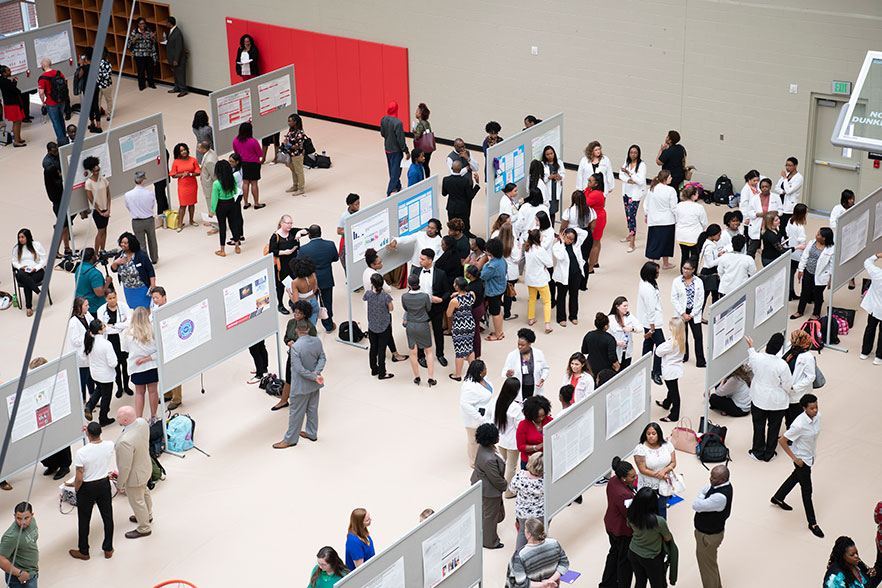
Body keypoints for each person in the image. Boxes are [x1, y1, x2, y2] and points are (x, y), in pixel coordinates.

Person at [771, 393, 824, 537]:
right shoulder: (799, 424)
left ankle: (778, 497)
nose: (815, 410)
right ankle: (812, 523)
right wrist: (795, 459)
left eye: (816, 407)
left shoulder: (817, 417)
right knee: (807, 491)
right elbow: (782, 441)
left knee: (795, 478)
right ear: (804, 408)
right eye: (812, 408)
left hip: (810, 455)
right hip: (802, 459)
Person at [273, 321, 326, 448]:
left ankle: (290, 439)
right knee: (312, 410)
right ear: (308, 330)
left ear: (296, 331)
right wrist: (316, 374)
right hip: (314, 385)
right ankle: (312, 433)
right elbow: (322, 358)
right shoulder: (317, 341)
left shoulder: (295, 347)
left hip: (300, 387)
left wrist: (314, 376)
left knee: (295, 412)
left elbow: (299, 369)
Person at [69, 422, 114, 561]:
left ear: (87, 433)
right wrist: (90, 427)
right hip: (104, 483)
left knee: (84, 519)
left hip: (87, 487)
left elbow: (79, 477)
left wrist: (76, 489)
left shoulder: (81, 452)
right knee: (107, 516)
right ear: (101, 432)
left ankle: (84, 551)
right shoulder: (109, 445)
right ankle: (108, 548)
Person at [746, 334, 791, 462]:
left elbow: (752, 354)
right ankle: (770, 453)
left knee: (758, 425)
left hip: (759, 398)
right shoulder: (782, 365)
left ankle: (757, 451)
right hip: (777, 402)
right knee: (774, 427)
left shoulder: (758, 358)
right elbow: (788, 385)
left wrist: (751, 346)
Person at [113, 406, 153, 539]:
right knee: (145, 492)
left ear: (124, 420)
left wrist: (120, 484)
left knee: (137, 501)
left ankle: (144, 527)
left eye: (118, 417)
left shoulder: (125, 441)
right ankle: (148, 515)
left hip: (134, 476)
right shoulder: (142, 422)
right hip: (145, 467)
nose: (117, 418)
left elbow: (125, 467)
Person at [692, 465, 733, 588]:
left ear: (723, 479)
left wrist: (700, 497)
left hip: (708, 537)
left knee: (707, 569)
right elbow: (704, 490)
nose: (710, 479)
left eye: (714, 478)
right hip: (708, 533)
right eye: (711, 476)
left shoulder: (719, 497)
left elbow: (696, 505)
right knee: (710, 565)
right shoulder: (720, 486)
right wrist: (701, 496)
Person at [627, 487, 674, 588]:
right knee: (658, 584)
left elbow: (629, 526)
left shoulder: (630, 514)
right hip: (651, 557)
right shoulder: (659, 521)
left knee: (640, 581)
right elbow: (667, 538)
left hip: (633, 552)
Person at [600, 457, 637, 588]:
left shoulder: (613, 481)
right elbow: (629, 515)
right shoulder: (624, 495)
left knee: (614, 554)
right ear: (624, 478)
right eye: (632, 477)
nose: (635, 478)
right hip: (622, 530)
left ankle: (607, 582)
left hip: (610, 524)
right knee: (625, 561)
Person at [411, 247, 449, 367]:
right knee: (421, 332)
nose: (420, 261)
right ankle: (421, 356)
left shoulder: (440, 274)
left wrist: (441, 299)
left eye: (422, 259)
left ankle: (440, 354)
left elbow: (447, 291)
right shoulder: (416, 272)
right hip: (420, 307)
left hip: (435, 307)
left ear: (430, 260)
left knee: (438, 331)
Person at [470, 423, 507, 549]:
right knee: (490, 516)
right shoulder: (489, 459)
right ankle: (490, 542)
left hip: (482, 484)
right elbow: (495, 478)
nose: (499, 437)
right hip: (489, 491)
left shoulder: (484, 447)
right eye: (497, 435)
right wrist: (505, 486)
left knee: (486, 513)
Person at [505, 517, 569, 588]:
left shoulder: (520, 555)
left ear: (529, 534)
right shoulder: (554, 543)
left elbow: (520, 581)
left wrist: (542, 585)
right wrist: (549, 581)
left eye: (525, 529)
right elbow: (564, 564)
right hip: (552, 585)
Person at [297, 225, 339, 332]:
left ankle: (311, 327)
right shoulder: (330, 245)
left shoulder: (303, 249)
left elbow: (299, 263)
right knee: (327, 303)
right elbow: (335, 258)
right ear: (321, 233)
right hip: (326, 279)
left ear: (309, 235)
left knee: (311, 305)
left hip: (310, 282)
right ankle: (328, 325)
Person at [487, 377, 523, 497]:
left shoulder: (496, 400)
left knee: (502, 464)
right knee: (511, 466)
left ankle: (499, 485)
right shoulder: (515, 408)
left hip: (500, 439)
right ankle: (508, 492)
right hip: (512, 443)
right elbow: (520, 426)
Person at [121, 307, 159, 420]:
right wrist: (147, 358)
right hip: (152, 366)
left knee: (139, 393)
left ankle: (139, 419)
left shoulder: (127, 333)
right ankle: (153, 416)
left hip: (136, 367)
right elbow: (159, 350)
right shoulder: (153, 331)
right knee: (153, 391)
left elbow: (125, 349)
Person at [634, 422, 676, 518]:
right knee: (648, 509)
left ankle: (662, 526)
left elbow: (673, 462)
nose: (651, 437)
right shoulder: (640, 449)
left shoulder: (667, 445)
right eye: (648, 434)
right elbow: (642, 469)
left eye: (654, 434)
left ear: (659, 434)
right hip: (649, 484)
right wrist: (660, 475)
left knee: (662, 507)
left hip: (665, 482)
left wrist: (664, 471)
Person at [401, 275, 437, 386]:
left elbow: (406, 309)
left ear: (409, 285)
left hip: (411, 325)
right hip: (423, 325)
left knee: (413, 352)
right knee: (429, 351)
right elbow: (428, 308)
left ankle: (417, 377)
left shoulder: (404, 296)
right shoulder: (425, 296)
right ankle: (430, 378)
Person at [793, 227, 834, 320]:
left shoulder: (831, 249)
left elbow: (832, 265)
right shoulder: (812, 243)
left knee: (817, 294)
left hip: (821, 275)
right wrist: (801, 269)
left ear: (824, 238)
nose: (816, 235)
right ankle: (800, 311)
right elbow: (805, 256)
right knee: (804, 293)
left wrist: (830, 280)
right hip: (808, 272)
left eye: (819, 234)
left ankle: (816, 313)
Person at [97, 289, 131, 400]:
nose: (112, 300)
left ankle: (127, 386)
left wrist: (114, 326)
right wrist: (118, 326)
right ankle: (119, 387)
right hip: (111, 341)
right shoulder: (101, 310)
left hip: (123, 339)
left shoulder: (123, 306)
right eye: (110, 298)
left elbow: (128, 322)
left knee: (125, 365)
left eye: (114, 297)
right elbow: (103, 328)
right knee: (116, 366)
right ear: (105, 299)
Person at [671, 259, 706, 367]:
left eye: (688, 269)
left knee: (698, 336)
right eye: (684, 268)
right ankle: (684, 356)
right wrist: (683, 313)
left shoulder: (698, 282)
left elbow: (701, 299)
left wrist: (692, 314)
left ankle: (700, 360)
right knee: (682, 336)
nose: (685, 271)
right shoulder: (677, 281)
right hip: (682, 312)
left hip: (693, 312)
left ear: (693, 270)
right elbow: (674, 298)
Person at [83, 319, 118, 426]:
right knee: (106, 396)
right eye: (103, 327)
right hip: (106, 375)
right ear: (99, 331)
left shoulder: (90, 342)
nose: (105, 328)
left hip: (95, 374)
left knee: (99, 389)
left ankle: (90, 405)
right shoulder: (106, 344)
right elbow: (113, 363)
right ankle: (103, 418)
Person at [509, 452, 545, 552]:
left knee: (522, 532)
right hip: (540, 514)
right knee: (539, 535)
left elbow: (512, 489)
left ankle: (519, 555)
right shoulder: (545, 481)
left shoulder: (520, 476)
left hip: (522, 513)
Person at [363, 273, 396, 380]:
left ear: (372, 283)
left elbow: (365, 299)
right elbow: (391, 309)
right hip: (384, 326)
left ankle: (374, 369)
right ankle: (382, 373)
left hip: (372, 325)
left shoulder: (368, 294)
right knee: (381, 350)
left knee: (373, 348)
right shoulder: (386, 297)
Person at [460, 360, 493, 465]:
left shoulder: (483, 379)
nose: (486, 370)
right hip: (474, 419)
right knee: (473, 441)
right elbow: (465, 405)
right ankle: (473, 461)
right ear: (480, 372)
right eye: (485, 369)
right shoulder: (469, 387)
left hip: (486, 414)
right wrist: (479, 417)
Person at [110, 233, 155, 310]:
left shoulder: (141, 255)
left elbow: (150, 270)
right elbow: (114, 270)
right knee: (135, 309)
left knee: (145, 309)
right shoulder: (119, 255)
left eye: (125, 243)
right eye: (122, 242)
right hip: (129, 289)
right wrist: (115, 263)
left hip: (141, 288)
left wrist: (153, 285)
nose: (123, 244)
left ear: (131, 244)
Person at [638, 262, 665, 385]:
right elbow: (650, 309)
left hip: (648, 321)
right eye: (656, 273)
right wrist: (652, 328)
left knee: (648, 344)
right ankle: (656, 372)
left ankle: (644, 368)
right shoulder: (647, 289)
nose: (658, 275)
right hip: (652, 323)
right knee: (661, 347)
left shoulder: (647, 282)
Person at [552, 228, 586, 326]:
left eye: (572, 239)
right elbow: (560, 256)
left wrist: (570, 230)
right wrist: (562, 242)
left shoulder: (576, 244)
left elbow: (585, 233)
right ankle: (561, 318)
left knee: (574, 295)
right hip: (563, 276)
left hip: (576, 274)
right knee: (561, 296)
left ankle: (573, 316)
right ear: (563, 235)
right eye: (568, 238)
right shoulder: (557, 246)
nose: (570, 241)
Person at [209, 159, 243, 257]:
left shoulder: (216, 183)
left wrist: (212, 211)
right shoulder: (232, 179)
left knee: (222, 227)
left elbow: (214, 198)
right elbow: (235, 190)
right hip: (231, 202)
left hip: (221, 205)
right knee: (233, 225)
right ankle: (237, 246)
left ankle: (222, 250)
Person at [123, 172, 159, 264]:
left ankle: (145, 261)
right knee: (152, 239)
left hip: (136, 221)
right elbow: (152, 205)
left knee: (141, 243)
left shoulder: (127, 195)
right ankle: (154, 258)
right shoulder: (150, 193)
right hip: (149, 220)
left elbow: (128, 207)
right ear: (144, 180)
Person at [270, 215, 304, 314]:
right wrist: (285, 252)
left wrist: (299, 233)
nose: (289, 225)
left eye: (291, 223)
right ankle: (280, 304)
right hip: (282, 266)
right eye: (287, 223)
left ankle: (292, 300)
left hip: (293, 264)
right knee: (280, 286)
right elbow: (272, 251)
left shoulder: (292, 232)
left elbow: (307, 230)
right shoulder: (275, 236)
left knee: (294, 283)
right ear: (281, 223)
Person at [503, 328, 549, 399]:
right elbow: (505, 370)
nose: (519, 347)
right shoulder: (512, 355)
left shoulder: (539, 353)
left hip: (535, 387)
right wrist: (508, 374)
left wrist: (543, 378)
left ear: (529, 344)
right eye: (518, 344)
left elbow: (545, 368)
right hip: (520, 389)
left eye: (522, 345)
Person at [742, 177, 782, 258]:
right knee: (752, 248)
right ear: (760, 188)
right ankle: (749, 263)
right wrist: (758, 214)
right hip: (757, 225)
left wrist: (772, 213)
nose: (764, 189)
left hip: (770, 226)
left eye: (766, 186)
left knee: (772, 246)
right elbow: (750, 212)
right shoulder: (754, 198)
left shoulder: (776, 197)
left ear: (770, 187)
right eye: (762, 187)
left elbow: (780, 211)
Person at [644, 171, 678, 269]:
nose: (671, 178)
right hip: (667, 221)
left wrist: (647, 214)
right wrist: (678, 218)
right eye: (670, 177)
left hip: (654, 220)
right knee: (667, 242)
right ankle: (665, 263)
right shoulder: (671, 190)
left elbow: (646, 204)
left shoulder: (652, 188)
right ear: (665, 179)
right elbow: (674, 207)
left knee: (653, 242)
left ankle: (651, 263)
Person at [0, 502, 38, 586]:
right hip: (20, 577)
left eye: (26, 518)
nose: (22, 522)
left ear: (32, 515)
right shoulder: (11, 536)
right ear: (14, 516)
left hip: (32, 570)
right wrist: (19, 573)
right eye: (19, 518)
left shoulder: (33, 522)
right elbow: (1, 560)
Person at [522, 229, 553, 333]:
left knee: (532, 299)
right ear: (538, 238)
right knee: (547, 301)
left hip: (530, 279)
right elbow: (550, 263)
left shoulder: (527, 249)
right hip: (540, 279)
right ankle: (547, 325)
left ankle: (531, 318)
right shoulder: (540, 250)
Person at [784, 329, 816, 427]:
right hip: (785, 389)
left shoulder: (807, 357)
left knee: (795, 418)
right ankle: (789, 435)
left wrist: (795, 387)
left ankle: (794, 438)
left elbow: (811, 377)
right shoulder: (791, 346)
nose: (790, 340)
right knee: (788, 416)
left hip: (797, 393)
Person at [11, 229, 47, 317]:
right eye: (19, 237)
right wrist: (20, 267)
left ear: (28, 237)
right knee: (22, 275)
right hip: (23, 271)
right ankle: (38, 292)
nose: (20, 239)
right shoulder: (17, 248)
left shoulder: (36, 245)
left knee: (26, 281)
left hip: (36, 272)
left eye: (22, 237)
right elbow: (14, 261)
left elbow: (44, 259)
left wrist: (35, 268)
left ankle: (29, 308)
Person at [69, 296, 96, 403]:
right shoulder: (74, 322)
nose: (88, 307)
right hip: (81, 356)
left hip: (88, 352)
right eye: (86, 305)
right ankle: (83, 401)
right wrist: (88, 337)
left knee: (91, 377)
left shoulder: (86, 315)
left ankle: (93, 398)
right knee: (82, 380)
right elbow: (75, 340)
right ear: (79, 307)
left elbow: (93, 323)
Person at [620, 144, 647, 252]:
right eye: (631, 152)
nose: (633, 154)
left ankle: (632, 242)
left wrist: (629, 173)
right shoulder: (627, 163)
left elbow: (640, 180)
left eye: (635, 153)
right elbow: (621, 175)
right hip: (626, 192)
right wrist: (628, 179)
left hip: (635, 195)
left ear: (638, 154)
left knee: (632, 217)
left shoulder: (642, 165)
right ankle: (630, 234)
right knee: (627, 215)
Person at [442, 160, 480, 235]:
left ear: (452, 168)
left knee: (452, 226)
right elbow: (470, 196)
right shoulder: (465, 181)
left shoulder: (446, 180)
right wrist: (477, 184)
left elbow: (444, 193)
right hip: (463, 208)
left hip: (451, 207)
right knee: (464, 227)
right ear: (461, 169)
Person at [169, 143, 200, 231]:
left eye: (184, 150)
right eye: (181, 151)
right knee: (182, 205)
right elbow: (173, 175)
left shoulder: (193, 160)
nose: (184, 152)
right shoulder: (176, 162)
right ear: (178, 153)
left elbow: (198, 172)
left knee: (192, 203)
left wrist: (189, 174)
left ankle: (191, 220)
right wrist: (182, 174)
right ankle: (180, 225)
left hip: (192, 185)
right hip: (183, 186)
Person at [516, 394, 552, 468]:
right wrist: (535, 447)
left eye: (543, 415)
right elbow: (520, 447)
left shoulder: (549, 420)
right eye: (538, 417)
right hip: (530, 462)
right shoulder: (523, 425)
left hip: (546, 459)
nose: (541, 418)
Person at [675, 185, 707, 266]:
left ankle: (683, 272)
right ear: (693, 196)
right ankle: (693, 274)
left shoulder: (678, 206)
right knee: (695, 256)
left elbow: (676, 219)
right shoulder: (699, 207)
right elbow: (704, 222)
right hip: (694, 236)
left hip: (681, 235)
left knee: (684, 255)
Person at [481, 238, 507, 342]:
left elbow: (483, 276)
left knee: (495, 312)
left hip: (493, 290)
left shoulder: (491, 265)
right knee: (498, 310)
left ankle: (497, 334)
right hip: (501, 288)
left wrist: (485, 265)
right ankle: (499, 331)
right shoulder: (502, 260)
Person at [380, 101, 408, 195]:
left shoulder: (383, 119)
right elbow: (401, 139)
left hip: (387, 148)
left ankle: (397, 186)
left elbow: (382, 134)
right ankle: (389, 192)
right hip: (396, 150)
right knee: (395, 173)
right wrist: (406, 151)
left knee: (392, 168)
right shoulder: (398, 123)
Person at [232, 123, 263, 209]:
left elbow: (236, 153)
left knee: (245, 183)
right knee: (254, 184)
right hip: (254, 164)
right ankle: (256, 203)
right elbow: (260, 154)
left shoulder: (235, 140)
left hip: (243, 164)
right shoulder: (253, 141)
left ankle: (245, 203)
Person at [37, 58, 68, 143]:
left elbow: (41, 92)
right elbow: (64, 83)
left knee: (55, 121)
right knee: (61, 118)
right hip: (62, 100)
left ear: (43, 66)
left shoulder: (42, 78)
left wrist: (43, 102)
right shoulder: (59, 73)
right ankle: (64, 136)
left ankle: (61, 140)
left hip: (51, 102)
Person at [609, 296, 641, 371]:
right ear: (617, 306)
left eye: (627, 306)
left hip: (627, 351)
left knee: (625, 371)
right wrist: (616, 343)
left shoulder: (629, 316)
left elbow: (640, 328)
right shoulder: (611, 319)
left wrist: (631, 329)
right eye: (624, 306)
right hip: (616, 351)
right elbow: (607, 336)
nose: (626, 308)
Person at [861, 253, 882, 365]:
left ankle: (865, 352)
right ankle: (879, 357)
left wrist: (877, 255)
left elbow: (867, 262)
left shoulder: (877, 273)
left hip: (874, 308)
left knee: (870, 328)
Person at [584, 172, 608, 271]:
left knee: (594, 242)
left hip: (597, 219)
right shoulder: (592, 190)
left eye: (590, 181)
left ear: (596, 184)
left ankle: (590, 267)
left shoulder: (596, 194)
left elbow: (585, 203)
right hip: (596, 217)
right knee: (597, 241)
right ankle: (595, 261)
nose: (588, 182)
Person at [280, 113, 307, 196]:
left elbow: (297, 147)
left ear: (295, 122)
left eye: (290, 121)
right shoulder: (291, 130)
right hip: (290, 154)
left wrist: (287, 144)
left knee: (299, 171)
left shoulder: (300, 133)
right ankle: (295, 185)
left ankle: (301, 188)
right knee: (293, 170)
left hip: (297, 155)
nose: (288, 123)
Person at [128, 17, 158, 91]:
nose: (142, 25)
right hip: (139, 55)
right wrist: (135, 38)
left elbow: (153, 42)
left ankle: (151, 84)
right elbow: (130, 43)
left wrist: (153, 37)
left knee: (150, 70)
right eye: (141, 24)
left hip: (148, 54)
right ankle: (142, 85)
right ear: (138, 24)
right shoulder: (134, 32)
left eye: (143, 23)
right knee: (141, 71)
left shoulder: (148, 31)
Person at [786, 204, 809, 300]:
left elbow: (787, 233)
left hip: (790, 251)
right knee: (804, 273)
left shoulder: (790, 221)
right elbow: (802, 241)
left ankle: (790, 292)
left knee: (791, 273)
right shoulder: (800, 227)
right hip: (798, 253)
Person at [0, 65, 27, 146]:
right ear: (4, 73)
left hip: (11, 103)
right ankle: (16, 141)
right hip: (12, 104)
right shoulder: (5, 82)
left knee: (18, 121)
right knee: (16, 122)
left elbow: (11, 89)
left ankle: (18, 138)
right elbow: (15, 90)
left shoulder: (3, 81)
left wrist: (14, 83)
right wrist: (16, 87)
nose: (10, 72)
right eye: (8, 70)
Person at [773, 157, 803, 227]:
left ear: (795, 166)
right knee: (779, 225)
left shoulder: (799, 178)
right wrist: (782, 191)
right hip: (781, 203)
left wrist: (784, 178)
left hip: (789, 207)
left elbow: (789, 191)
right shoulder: (786, 175)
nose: (787, 167)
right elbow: (776, 188)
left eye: (790, 165)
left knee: (785, 226)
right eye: (786, 165)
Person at [539, 145, 565, 224]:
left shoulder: (559, 162)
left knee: (553, 212)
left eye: (551, 153)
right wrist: (549, 177)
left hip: (555, 190)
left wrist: (560, 177)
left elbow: (563, 173)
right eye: (548, 154)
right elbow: (541, 179)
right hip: (546, 190)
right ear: (545, 155)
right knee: (546, 212)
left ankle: (552, 229)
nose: (550, 156)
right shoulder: (542, 164)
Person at [165, 16, 187, 96]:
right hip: (173, 58)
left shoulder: (177, 33)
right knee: (175, 74)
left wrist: (176, 60)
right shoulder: (172, 31)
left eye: (166, 22)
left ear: (170, 23)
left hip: (178, 59)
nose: (165, 24)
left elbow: (179, 47)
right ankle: (177, 88)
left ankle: (183, 90)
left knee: (180, 75)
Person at [412, 102, 433, 175]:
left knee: (423, 164)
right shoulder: (426, 122)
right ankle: (428, 178)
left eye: (417, 111)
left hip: (423, 148)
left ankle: (424, 179)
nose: (416, 113)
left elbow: (417, 136)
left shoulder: (420, 124)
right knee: (426, 164)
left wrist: (414, 132)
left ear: (420, 114)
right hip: (429, 147)